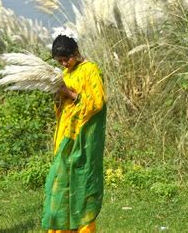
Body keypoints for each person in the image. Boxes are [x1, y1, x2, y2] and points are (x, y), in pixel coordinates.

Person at [42, 32, 107, 233]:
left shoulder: (90, 70)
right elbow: (63, 107)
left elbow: (97, 102)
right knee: (59, 182)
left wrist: (69, 93)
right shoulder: (65, 73)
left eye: (66, 59)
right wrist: (57, 94)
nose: (63, 64)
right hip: (65, 136)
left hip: (83, 140)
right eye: (59, 61)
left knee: (82, 182)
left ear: (76, 52)